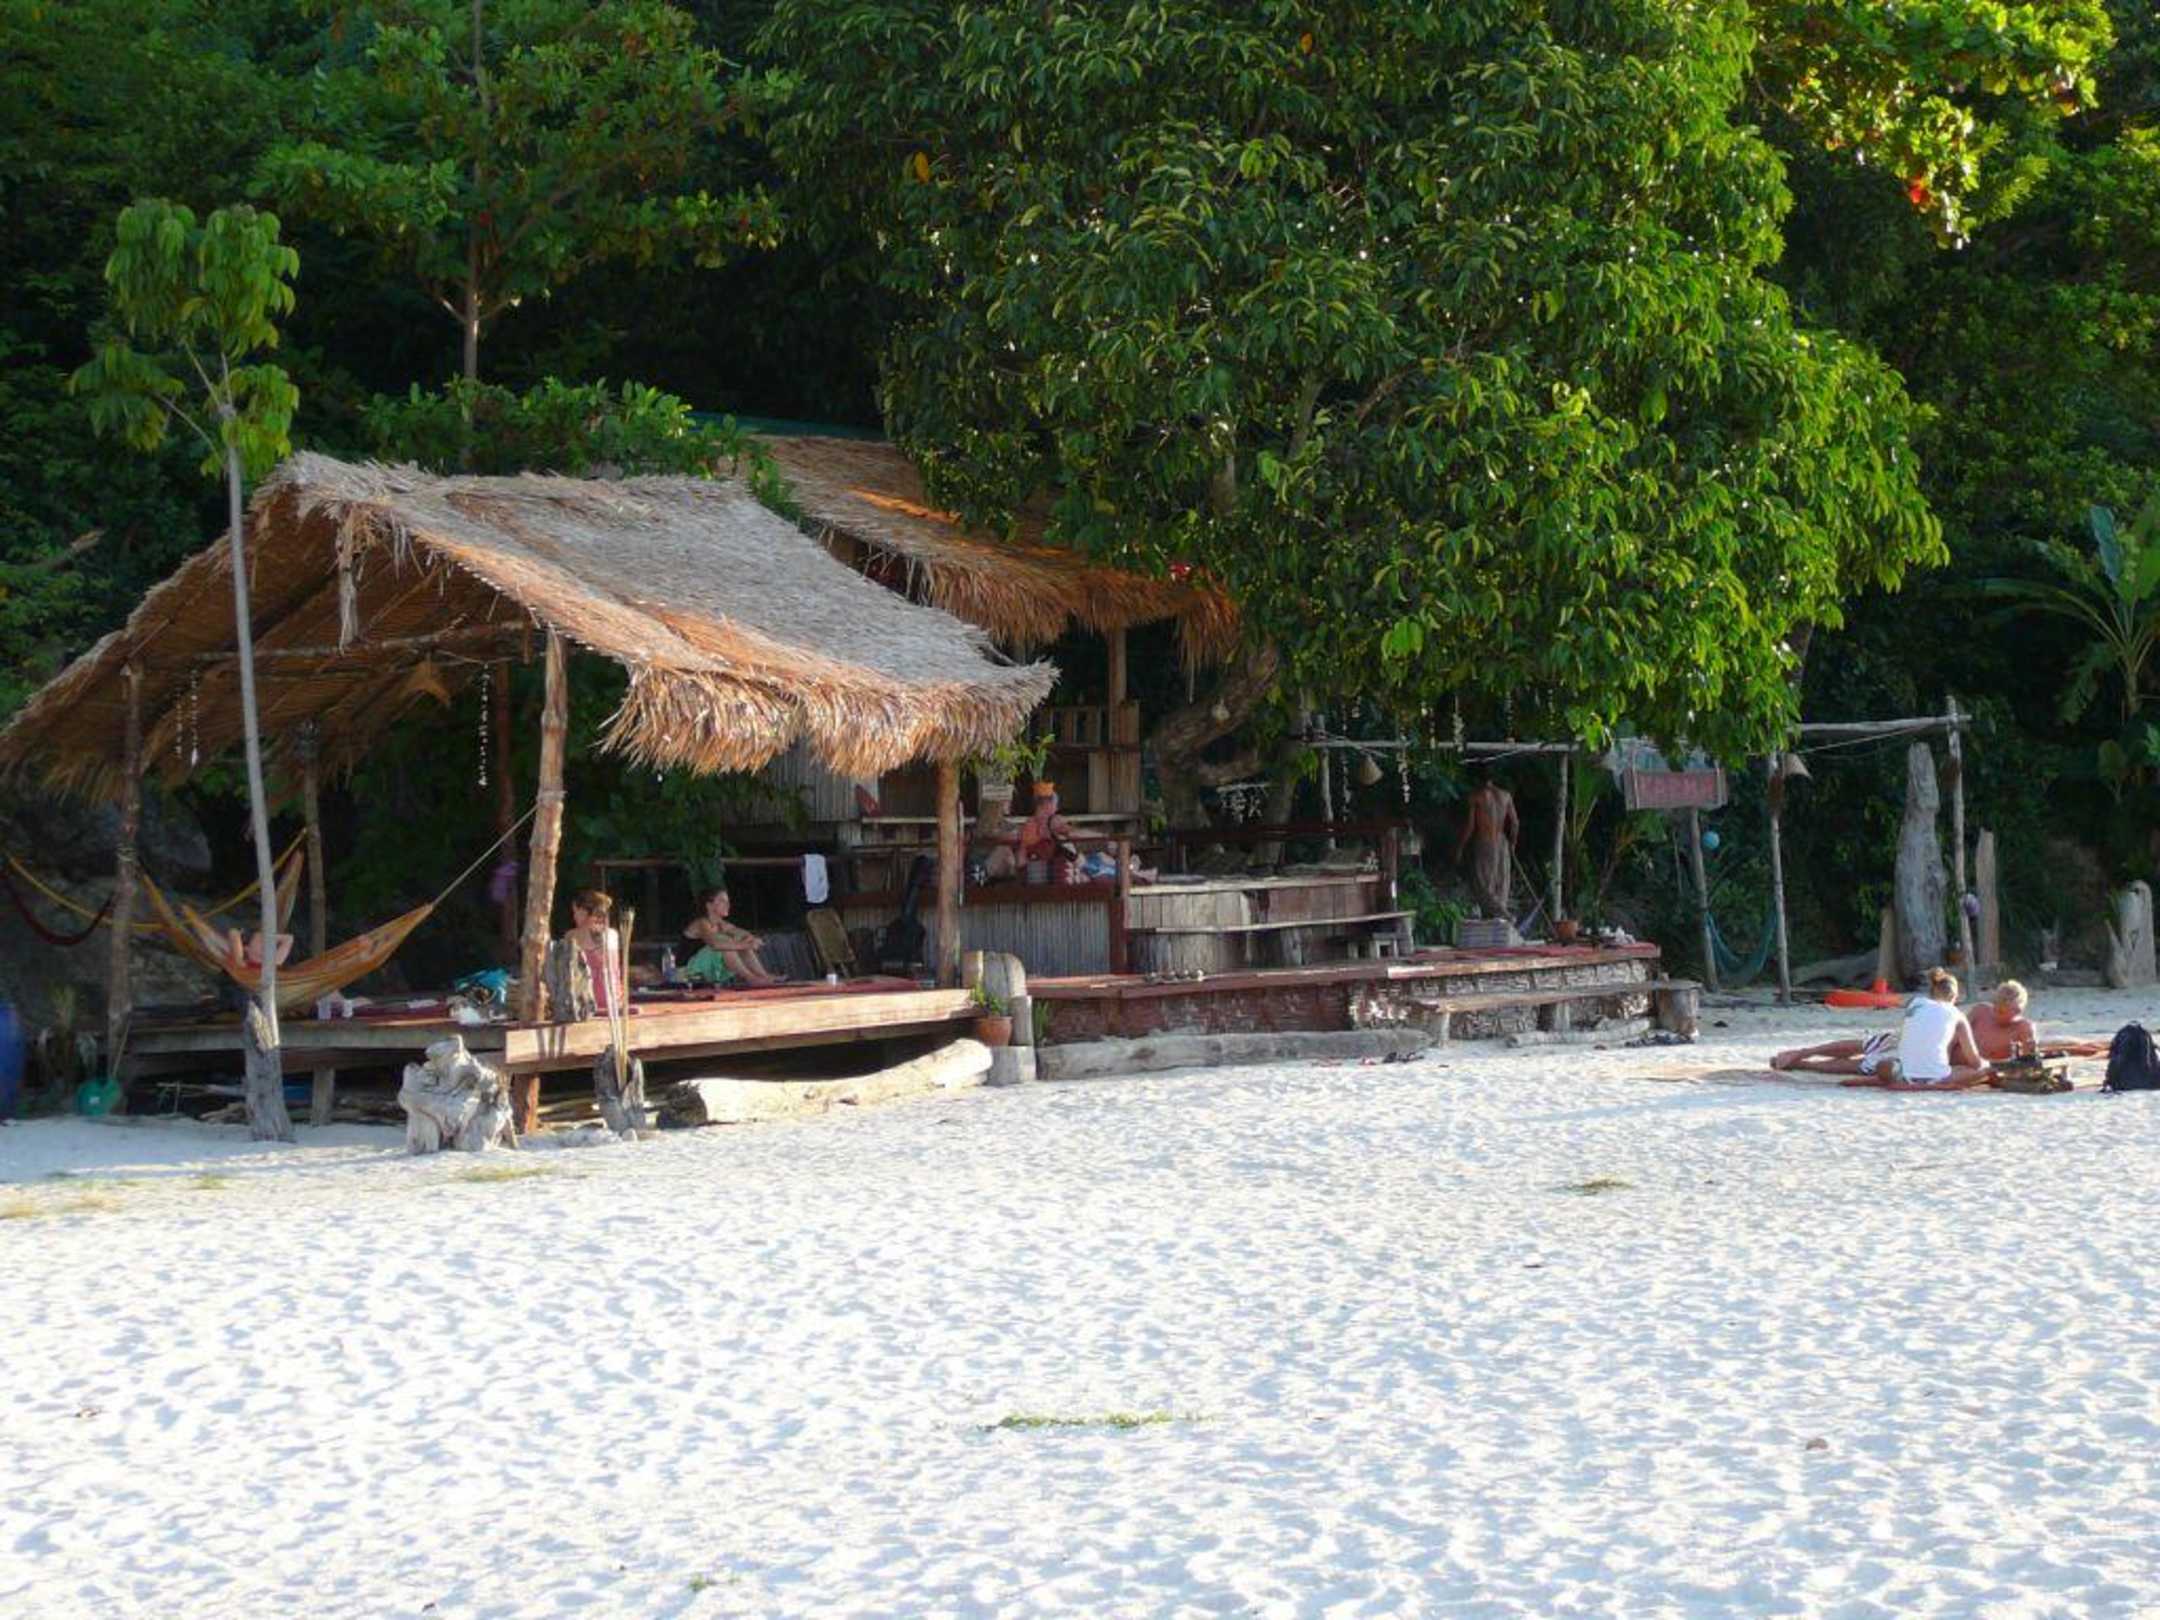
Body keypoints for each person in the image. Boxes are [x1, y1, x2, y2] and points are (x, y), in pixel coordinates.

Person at [682, 886, 784, 987]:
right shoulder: (701, 923)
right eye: (722, 901)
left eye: (728, 901)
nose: (728, 905)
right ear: (709, 905)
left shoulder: (721, 924)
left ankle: (763, 976)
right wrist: (745, 945)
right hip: (687, 971)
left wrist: (751, 939)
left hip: (709, 968)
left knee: (741, 940)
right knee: (727, 943)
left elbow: (742, 933)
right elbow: (715, 944)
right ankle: (751, 978)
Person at [540, 888, 617, 1022]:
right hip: (613, 999)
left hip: (589, 1001)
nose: (574, 916)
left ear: (584, 912)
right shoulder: (613, 934)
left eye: (575, 912)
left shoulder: (573, 936)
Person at [1455, 771, 1519, 920]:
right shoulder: (1506, 795)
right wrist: (1513, 843)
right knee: (1501, 883)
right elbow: (1515, 823)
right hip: (1502, 842)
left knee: (1483, 883)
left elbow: (1470, 826)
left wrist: (1460, 847)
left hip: (1485, 842)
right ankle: (1498, 917)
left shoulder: (1476, 797)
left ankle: (1504, 914)